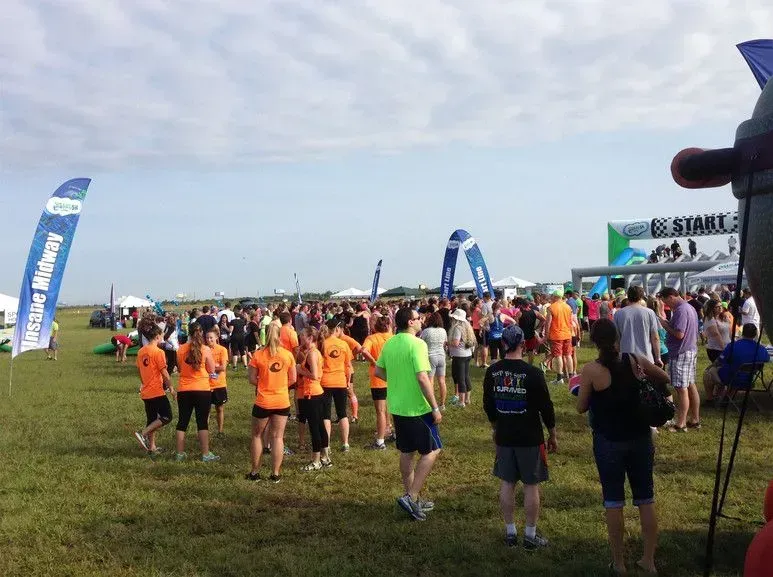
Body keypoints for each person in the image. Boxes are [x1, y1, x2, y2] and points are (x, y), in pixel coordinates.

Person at [577, 319, 669, 575]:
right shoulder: (635, 360)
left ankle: (618, 563)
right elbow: (664, 376)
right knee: (645, 498)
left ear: (594, 341)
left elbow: (581, 406)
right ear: (618, 337)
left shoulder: (591, 370)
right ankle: (648, 560)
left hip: (608, 440)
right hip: (640, 436)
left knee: (613, 501)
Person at [483, 325, 556, 549]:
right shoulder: (533, 373)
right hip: (530, 436)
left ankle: (511, 533)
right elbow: (546, 407)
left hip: (504, 434)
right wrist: (552, 434)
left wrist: (496, 427)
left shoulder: (493, 372)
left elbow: (489, 405)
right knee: (531, 485)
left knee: (507, 482)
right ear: (523, 344)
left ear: (503, 344)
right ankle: (530, 535)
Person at [375, 307, 442, 522]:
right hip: (418, 407)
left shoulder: (390, 342)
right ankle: (411, 495)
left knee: (407, 451)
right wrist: (435, 406)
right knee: (433, 450)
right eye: (417, 318)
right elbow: (423, 378)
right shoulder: (418, 344)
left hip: (397, 406)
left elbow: (378, 371)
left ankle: (412, 497)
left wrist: (396, 381)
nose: (421, 320)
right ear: (410, 323)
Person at [246, 324, 297, 482]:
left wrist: (264, 384)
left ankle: (255, 472)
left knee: (256, 435)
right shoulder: (287, 355)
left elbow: (252, 379)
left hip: (263, 401)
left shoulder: (258, 355)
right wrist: (281, 386)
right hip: (282, 400)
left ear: (265, 335)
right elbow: (293, 378)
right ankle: (275, 474)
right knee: (278, 437)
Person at [174, 322, 220, 462]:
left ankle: (180, 454)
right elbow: (212, 370)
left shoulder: (181, 349)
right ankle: (205, 454)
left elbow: (181, 369)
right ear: (201, 333)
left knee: (182, 422)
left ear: (189, 333)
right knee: (202, 423)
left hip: (184, 389)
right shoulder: (205, 349)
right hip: (202, 389)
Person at [658, 287, 700, 433]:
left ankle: (681, 424)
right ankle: (695, 419)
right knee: (690, 385)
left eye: (665, 301)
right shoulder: (689, 307)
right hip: (690, 349)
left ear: (670, 297)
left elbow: (679, 334)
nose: (667, 305)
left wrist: (665, 326)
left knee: (681, 389)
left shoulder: (681, 310)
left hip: (681, 352)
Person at [703, 323, 770, 403]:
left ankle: (710, 399)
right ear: (755, 334)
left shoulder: (732, 346)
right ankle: (727, 397)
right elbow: (767, 359)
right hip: (749, 380)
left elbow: (719, 361)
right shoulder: (761, 349)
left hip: (732, 378)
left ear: (742, 332)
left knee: (709, 372)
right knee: (734, 370)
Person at [134, 325, 175, 455]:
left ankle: (152, 447)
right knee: (167, 416)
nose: (162, 338)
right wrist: (172, 389)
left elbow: (140, 370)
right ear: (157, 336)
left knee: (152, 420)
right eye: (162, 336)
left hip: (146, 391)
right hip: (156, 391)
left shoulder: (141, 351)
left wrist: (144, 383)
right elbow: (165, 373)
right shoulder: (158, 352)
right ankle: (143, 433)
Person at [295, 327, 331, 470]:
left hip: (312, 394)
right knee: (321, 427)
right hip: (316, 393)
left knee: (315, 428)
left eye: (303, 336)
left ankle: (316, 460)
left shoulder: (312, 354)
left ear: (310, 338)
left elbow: (315, 375)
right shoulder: (312, 352)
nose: (300, 338)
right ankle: (325, 457)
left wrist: (300, 370)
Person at [320, 319, 354, 451]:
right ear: (337, 329)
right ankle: (345, 443)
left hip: (325, 382)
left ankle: (326, 444)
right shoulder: (343, 344)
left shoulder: (323, 344)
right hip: (340, 381)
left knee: (326, 415)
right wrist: (348, 381)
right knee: (343, 413)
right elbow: (349, 366)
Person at [362, 315, 394, 449]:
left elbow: (363, 350)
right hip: (393, 377)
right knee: (392, 407)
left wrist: (373, 361)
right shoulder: (393, 338)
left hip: (378, 379)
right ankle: (391, 431)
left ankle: (380, 441)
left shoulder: (371, 338)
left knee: (380, 411)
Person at [613, 286, 662, 366]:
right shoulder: (649, 313)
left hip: (626, 358)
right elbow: (655, 337)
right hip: (646, 358)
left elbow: (616, 339)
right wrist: (658, 357)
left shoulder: (618, 314)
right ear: (641, 297)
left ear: (628, 296)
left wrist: (618, 357)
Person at [420, 311, 448, 412]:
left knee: (430, 381)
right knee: (442, 381)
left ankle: (431, 403)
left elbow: (421, 342)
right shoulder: (443, 331)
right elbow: (445, 342)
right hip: (441, 356)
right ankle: (442, 404)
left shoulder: (426, 331)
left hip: (430, 356)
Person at [544, 291, 574, 383]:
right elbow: (570, 321)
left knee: (558, 356)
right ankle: (571, 376)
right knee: (568, 355)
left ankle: (559, 377)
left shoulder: (551, 307)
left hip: (556, 335)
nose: (551, 298)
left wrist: (546, 334)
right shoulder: (568, 307)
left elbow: (548, 323)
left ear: (555, 297)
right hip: (567, 333)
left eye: (552, 296)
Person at [448, 307, 475, 407]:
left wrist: (447, 342)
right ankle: (467, 399)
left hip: (459, 355)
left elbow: (455, 343)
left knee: (460, 378)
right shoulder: (466, 326)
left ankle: (461, 401)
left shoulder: (457, 328)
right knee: (466, 376)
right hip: (467, 354)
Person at [206, 328, 229, 437]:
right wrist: (214, 367)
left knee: (219, 408)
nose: (209, 339)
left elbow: (223, 367)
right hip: (206, 384)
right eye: (207, 337)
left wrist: (211, 368)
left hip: (219, 383)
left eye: (211, 337)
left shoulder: (222, 350)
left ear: (216, 338)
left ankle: (220, 431)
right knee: (206, 410)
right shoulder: (204, 350)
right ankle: (204, 431)